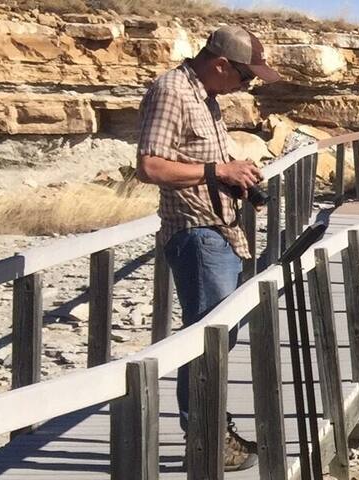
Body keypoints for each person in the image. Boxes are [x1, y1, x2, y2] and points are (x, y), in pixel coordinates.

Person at [133, 25, 282, 472]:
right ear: (221, 64)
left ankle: (212, 429)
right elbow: (149, 166)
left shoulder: (206, 99)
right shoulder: (172, 92)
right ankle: (205, 437)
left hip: (220, 232)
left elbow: (202, 163)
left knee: (218, 335)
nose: (247, 85)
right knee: (206, 340)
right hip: (197, 234)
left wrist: (235, 173)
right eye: (245, 77)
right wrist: (218, 170)